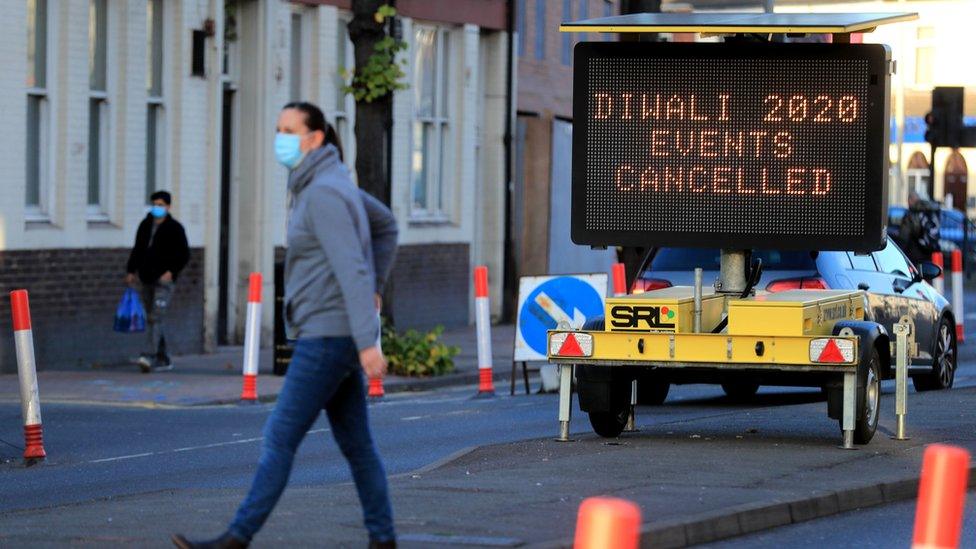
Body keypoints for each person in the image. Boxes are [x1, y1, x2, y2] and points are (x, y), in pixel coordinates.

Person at [172, 102, 398, 549]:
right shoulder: (330, 183)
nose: (281, 138)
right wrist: (376, 287)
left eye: (289, 130)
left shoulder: (324, 194)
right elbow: (386, 225)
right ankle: (383, 538)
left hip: (328, 336)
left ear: (315, 139)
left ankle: (236, 538)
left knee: (280, 436)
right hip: (334, 333)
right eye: (278, 128)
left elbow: (351, 266)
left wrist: (367, 337)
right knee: (357, 445)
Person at [125, 190, 190, 372]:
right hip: (147, 277)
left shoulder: (175, 228)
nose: (157, 208)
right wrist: (131, 270)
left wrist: (172, 272)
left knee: (157, 315)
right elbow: (138, 249)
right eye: (155, 204)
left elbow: (184, 254)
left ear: (168, 207)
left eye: (161, 205)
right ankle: (163, 356)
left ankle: (150, 355)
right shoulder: (145, 226)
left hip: (165, 280)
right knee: (153, 317)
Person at [898, 191, 941, 266]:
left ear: (910, 200)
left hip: (914, 254)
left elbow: (904, 236)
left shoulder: (911, 214)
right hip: (930, 251)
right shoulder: (931, 210)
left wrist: (899, 252)